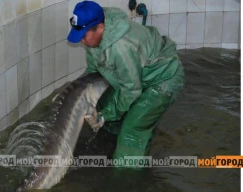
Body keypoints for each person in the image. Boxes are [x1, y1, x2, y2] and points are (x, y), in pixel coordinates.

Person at [67, 1, 185, 165]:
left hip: (162, 78)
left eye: (84, 36)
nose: (82, 41)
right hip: (139, 74)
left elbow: (131, 90)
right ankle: (111, 139)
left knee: (132, 131)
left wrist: (104, 116)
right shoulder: (94, 37)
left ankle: (127, 175)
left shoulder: (120, 47)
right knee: (104, 100)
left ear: (100, 27)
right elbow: (94, 72)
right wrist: (71, 94)